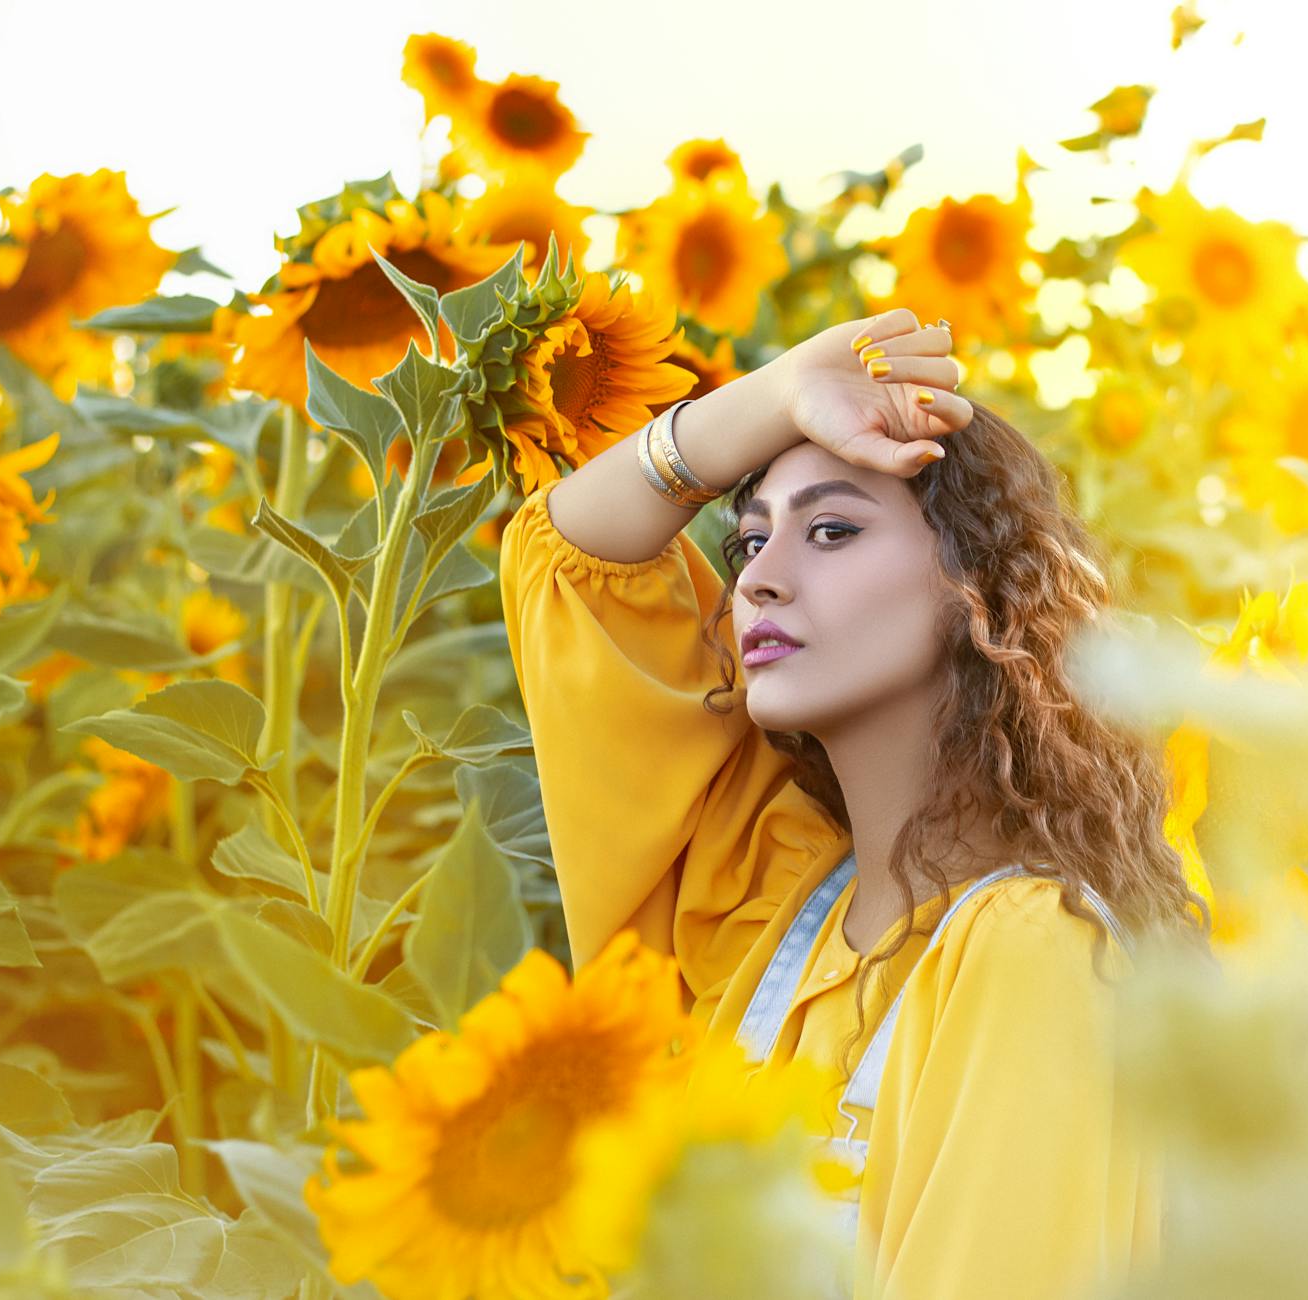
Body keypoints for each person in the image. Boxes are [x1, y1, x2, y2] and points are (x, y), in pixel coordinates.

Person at [498, 306, 1212, 1300]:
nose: (761, 582)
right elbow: (572, 559)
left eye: (831, 530)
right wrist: (787, 386)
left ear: (980, 591)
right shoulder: (777, 900)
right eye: (750, 543)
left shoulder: (1033, 951)